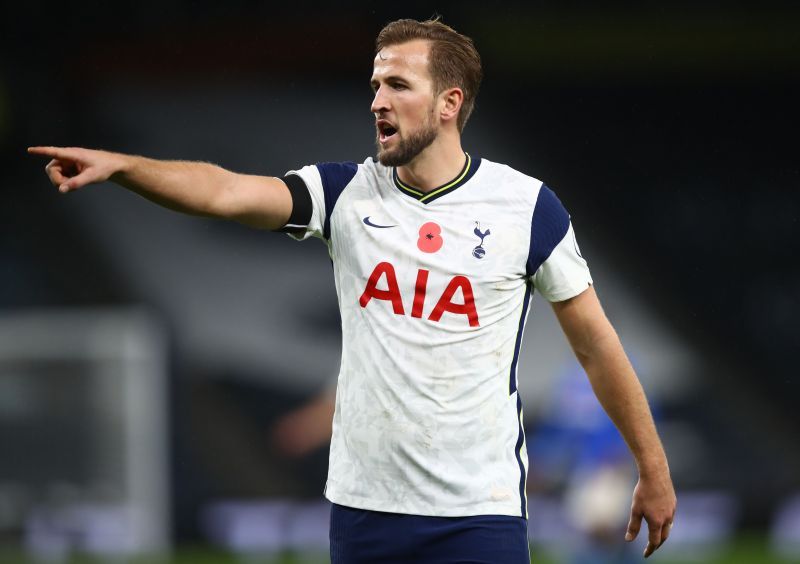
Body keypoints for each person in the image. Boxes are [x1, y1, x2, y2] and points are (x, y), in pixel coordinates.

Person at [29, 17, 676, 563]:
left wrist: (652, 466)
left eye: (397, 84)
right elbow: (225, 191)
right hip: (366, 511)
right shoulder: (344, 194)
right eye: (374, 85)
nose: (376, 101)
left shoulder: (527, 208)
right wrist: (124, 166)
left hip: (480, 513)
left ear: (449, 103)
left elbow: (596, 345)